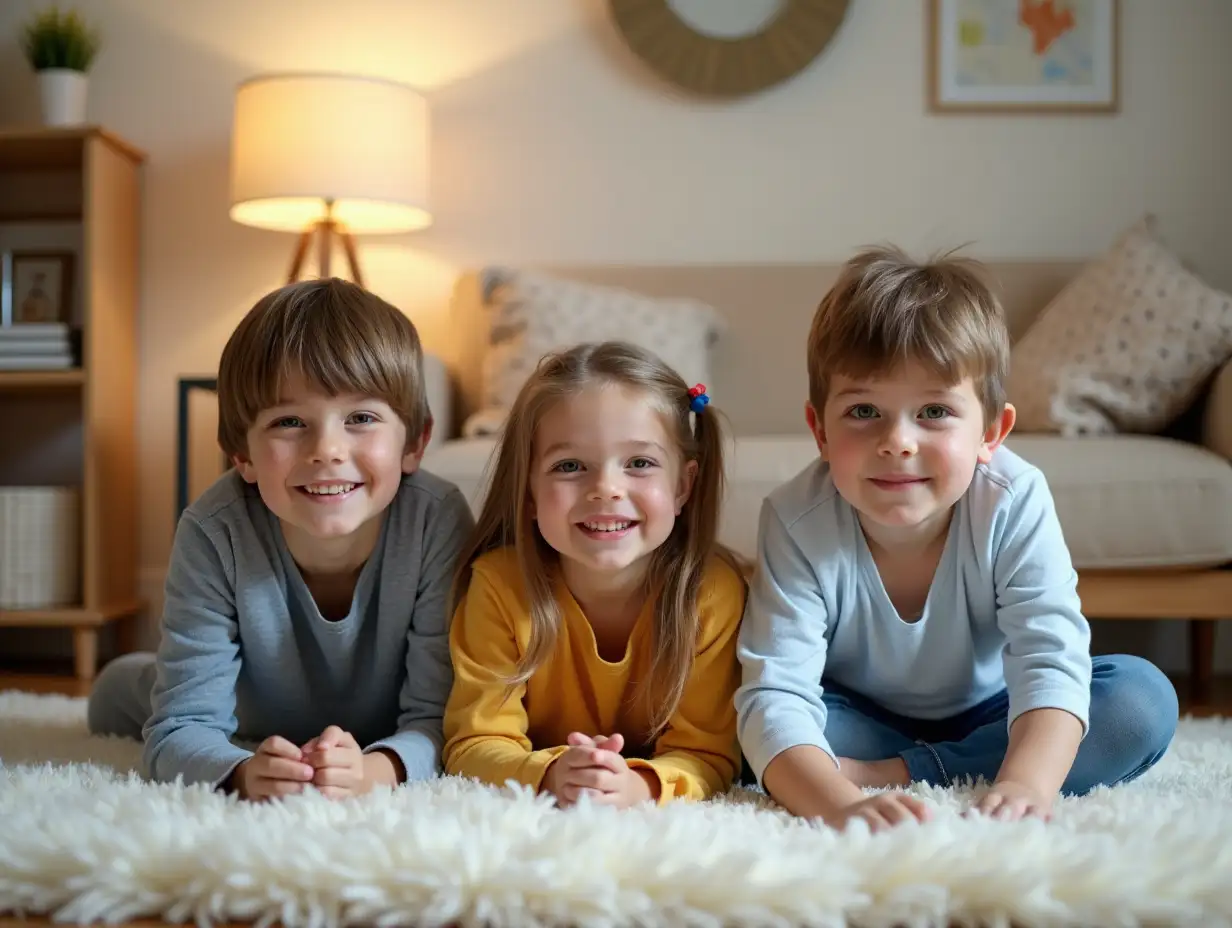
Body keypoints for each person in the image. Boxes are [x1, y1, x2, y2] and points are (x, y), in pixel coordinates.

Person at [735, 246, 1178, 832]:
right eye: (864, 410)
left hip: (997, 710)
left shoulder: (1012, 499)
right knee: (755, 729)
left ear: (990, 431)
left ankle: (886, 772)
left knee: (1140, 701)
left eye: (934, 412)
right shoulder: (796, 518)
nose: (898, 441)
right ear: (819, 429)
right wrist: (837, 805)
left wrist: (1026, 784)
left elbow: (1049, 656)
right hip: (856, 717)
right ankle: (875, 771)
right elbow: (780, 692)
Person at [87, 277, 475, 801]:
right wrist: (243, 772)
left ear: (416, 442)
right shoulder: (213, 531)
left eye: (361, 418)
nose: (327, 450)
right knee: (117, 692)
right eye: (290, 422)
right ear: (240, 455)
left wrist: (375, 770)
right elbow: (179, 730)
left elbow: (441, 720)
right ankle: (135, 676)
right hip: (250, 707)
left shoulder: (437, 520)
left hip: (384, 715)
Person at [442, 341, 746, 808]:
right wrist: (547, 773)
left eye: (639, 463)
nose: (605, 489)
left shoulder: (709, 594)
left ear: (683, 486)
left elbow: (708, 754)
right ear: (527, 490)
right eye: (569, 466)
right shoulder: (500, 586)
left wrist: (640, 785)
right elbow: (472, 745)